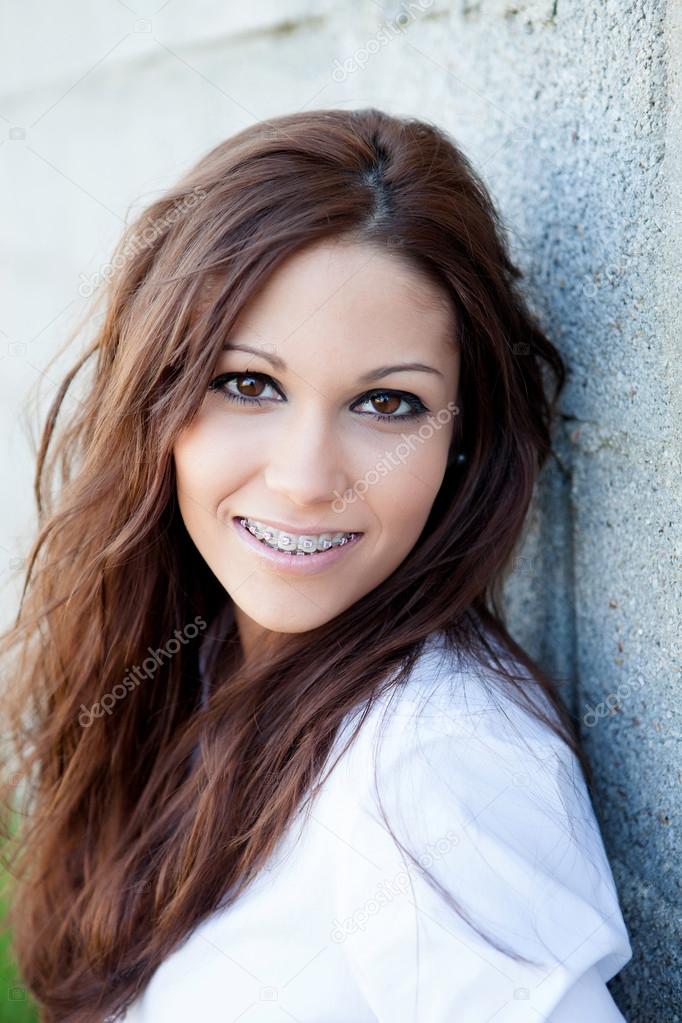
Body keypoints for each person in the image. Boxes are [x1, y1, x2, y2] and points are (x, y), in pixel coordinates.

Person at [0, 107, 632, 1022]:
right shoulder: (199, 660)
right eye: (248, 383)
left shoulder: (438, 766)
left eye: (387, 402)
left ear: (466, 437)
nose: (303, 481)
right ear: (157, 397)